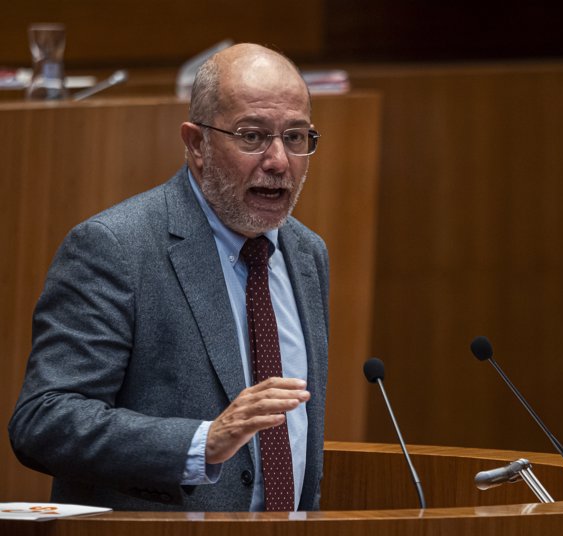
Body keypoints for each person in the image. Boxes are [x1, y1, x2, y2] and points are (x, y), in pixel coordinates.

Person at [9, 43, 329, 512]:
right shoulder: (116, 247)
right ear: (196, 144)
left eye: (296, 137)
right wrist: (203, 441)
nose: (280, 161)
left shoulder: (306, 253)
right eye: (252, 136)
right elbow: (44, 420)